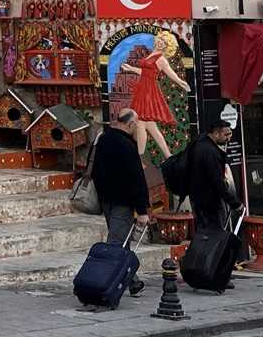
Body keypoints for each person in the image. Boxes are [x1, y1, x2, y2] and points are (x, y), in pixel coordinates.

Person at [175, 103, 242, 296]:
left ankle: (202, 270)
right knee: (214, 240)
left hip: (199, 199)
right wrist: (234, 201)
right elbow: (217, 182)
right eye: (226, 134)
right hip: (209, 202)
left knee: (203, 238)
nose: (229, 138)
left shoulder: (199, 144)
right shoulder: (210, 152)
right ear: (216, 133)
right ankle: (212, 272)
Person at [90, 106, 151, 296]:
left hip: (107, 200)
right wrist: (142, 211)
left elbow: (95, 171)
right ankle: (102, 283)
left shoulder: (104, 139)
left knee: (121, 243)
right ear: (130, 123)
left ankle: (132, 282)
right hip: (122, 203)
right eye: (136, 123)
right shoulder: (127, 145)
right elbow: (136, 179)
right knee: (115, 245)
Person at [108, 31, 183, 163]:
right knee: (150, 126)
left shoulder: (161, 59)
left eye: (164, 42)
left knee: (141, 122)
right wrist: (130, 68)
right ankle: (168, 155)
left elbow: (171, 74)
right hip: (143, 89)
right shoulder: (152, 54)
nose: (161, 43)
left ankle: (139, 157)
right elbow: (145, 73)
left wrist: (182, 83)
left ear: (167, 46)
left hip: (149, 91)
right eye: (160, 40)